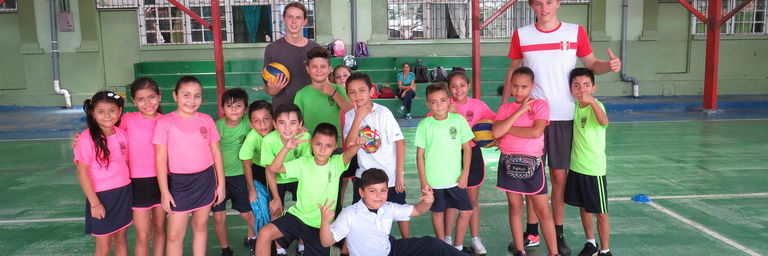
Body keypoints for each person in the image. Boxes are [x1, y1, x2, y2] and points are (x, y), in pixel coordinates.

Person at [501, 1, 621, 254]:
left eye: (549, 1)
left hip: (565, 118)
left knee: (557, 178)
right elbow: (513, 70)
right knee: (529, 175)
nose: (544, 7)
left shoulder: (574, 32)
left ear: (557, 3)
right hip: (531, 117)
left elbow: (591, 63)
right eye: (539, 2)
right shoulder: (521, 34)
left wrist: (608, 67)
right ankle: (532, 232)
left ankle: (558, 231)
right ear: (533, 6)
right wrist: (503, 112)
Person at [254, 123, 365, 256]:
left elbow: (350, 152)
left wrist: (359, 144)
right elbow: (274, 168)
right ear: (311, 142)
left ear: (335, 147)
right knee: (265, 233)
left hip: (321, 225)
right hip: (298, 217)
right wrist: (287, 147)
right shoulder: (303, 162)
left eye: (328, 146)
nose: (322, 150)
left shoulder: (337, 163)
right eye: (318, 144)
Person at [153, 76, 226, 256]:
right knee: (174, 234)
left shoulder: (207, 120)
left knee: (200, 226)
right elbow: (160, 158)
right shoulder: (165, 122)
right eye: (186, 95)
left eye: (197, 96)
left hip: (205, 179)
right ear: (175, 96)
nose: (191, 101)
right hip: (179, 183)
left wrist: (221, 185)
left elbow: (216, 153)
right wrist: (164, 191)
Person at [317, 168, 465, 256]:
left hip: (390, 249)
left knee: (433, 244)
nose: (379, 195)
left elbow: (416, 210)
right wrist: (325, 222)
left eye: (383, 190)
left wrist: (428, 201)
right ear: (361, 192)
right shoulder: (350, 214)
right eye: (372, 191)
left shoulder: (388, 207)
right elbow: (326, 241)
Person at [493, 67, 559, 256]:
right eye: (515, 86)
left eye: (524, 86)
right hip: (508, 162)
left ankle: (554, 252)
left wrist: (507, 128)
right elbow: (496, 133)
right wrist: (519, 111)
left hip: (533, 164)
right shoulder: (505, 108)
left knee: (543, 211)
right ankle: (520, 250)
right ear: (510, 86)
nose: (519, 91)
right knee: (515, 207)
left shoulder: (540, 105)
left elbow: (535, 132)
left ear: (532, 86)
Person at [343, 72, 409, 238]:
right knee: (359, 214)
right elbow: (349, 144)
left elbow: (400, 143)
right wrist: (358, 117)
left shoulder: (383, 112)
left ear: (371, 91)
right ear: (347, 95)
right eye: (352, 92)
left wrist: (399, 175)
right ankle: (355, 247)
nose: (357, 95)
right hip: (364, 175)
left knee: (401, 210)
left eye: (361, 90)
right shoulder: (351, 116)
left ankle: (407, 241)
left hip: (390, 175)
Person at [440, 71, 496, 255]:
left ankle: (474, 239)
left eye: (462, 85)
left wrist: (496, 138)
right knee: (451, 200)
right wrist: (446, 113)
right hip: (450, 156)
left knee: (472, 201)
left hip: (472, 155)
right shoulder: (443, 104)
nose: (458, 90)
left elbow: (495, 122)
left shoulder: (478, 106)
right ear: (448, 89)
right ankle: (448, 239)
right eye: (454, 86)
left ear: (468, 86)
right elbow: (429, 125)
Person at [415, 83, 474, 252]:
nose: (439, 105)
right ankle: (442, 247)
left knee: (466, 211)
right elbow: (420, 156)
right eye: (434, 102)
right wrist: (423, 181)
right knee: (437, 212)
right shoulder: (424, 124)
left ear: (449, 101)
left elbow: (468, 148)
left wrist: (465, 174)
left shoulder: (458, 120)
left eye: (442, 100)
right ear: (428, 104)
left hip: (455, 179)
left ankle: (458, 246)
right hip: (434, 180)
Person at [74, 91, 132, 256]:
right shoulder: (86, 139)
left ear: (119, 112)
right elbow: (82, 173)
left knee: (121, 237)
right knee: (104, 245)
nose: (107, 115)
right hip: (101, 197)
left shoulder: (122, 135)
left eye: (112, 110)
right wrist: (95, 203)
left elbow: (125, 163)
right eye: (101, 111)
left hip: (123, 192)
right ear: (93, 113)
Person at [564, 68, 612, 256]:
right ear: (571, 89)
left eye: (586, 85)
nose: (581, 89)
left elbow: (604, 121)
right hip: (576, 167)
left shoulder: (597, 105)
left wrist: (592, 102)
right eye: (576, 85)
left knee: (600, 212)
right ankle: (591, 243)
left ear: (594, 88)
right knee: (584, 208)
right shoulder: (574, 106)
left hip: (594, 169)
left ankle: (605, 250)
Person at [121, 78, 166, 256]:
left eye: (152, 97)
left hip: (162, 182)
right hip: (137, 184)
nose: (147, 103)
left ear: (160, 97)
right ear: (134, 101)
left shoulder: (166, 121)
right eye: (141, 99)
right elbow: (107, 134)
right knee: (143, 234)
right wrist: (82, 137)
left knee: (160, 229)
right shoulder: (127, 119)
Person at [260, 103, 312, 255]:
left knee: (304, 210)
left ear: (301, 124)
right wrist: (275, 197)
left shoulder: (305, 137)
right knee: (276, 210)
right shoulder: (269, 140)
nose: (287, 128)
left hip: (298, 179)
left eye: (293, 123)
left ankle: (302, 246)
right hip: (277, 180)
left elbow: (307, 168)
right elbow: (269, 171)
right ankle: (280, 249)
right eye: (282, 122)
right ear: (275, 124)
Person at [212, 88, 257, 255]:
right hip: (218, 178)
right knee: (218, 217)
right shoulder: (217, 127)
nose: (234, 109)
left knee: (247, 213)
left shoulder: (249, 124)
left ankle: (252, 237)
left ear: (245, 108)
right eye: (229, 106)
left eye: (238, 106)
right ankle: (225, 248)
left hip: (240, 176)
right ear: (223, 108)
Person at [263, 2, 321, 109]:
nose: (294, 21)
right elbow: (267, 87)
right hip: (283, 111)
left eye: (298, 18)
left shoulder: (316, 49)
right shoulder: (272, 49)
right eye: (290, 17)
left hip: (311, 108)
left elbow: (324, 80)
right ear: (284, 19)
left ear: (304, 21)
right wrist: (272, 90)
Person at [293, 46, 352, 145]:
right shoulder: (301, 94)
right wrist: (299, 128)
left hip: (334, 145)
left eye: (323, 67)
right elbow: (296, 120)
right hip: (309, 145)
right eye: (314, 67)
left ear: (329, 69)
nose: (319, 70)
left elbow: (350, 111)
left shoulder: (337, 89)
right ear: (308, 69)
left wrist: (333, 93)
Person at [239, 100, 275, 249]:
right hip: (258, 172)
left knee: (275, 207)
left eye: (266, 119)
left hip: (275, 171)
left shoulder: (280, 131)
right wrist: (252, 189)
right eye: (257, 121)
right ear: (251, 124)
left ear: (273, 119)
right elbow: (246, 164)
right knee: (261, 208)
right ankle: (261, 241)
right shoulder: (253, 137)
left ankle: (275, 238)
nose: (262, 124)